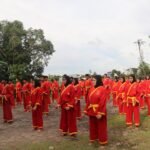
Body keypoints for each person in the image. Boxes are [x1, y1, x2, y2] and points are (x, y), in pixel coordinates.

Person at [84, 75, 108, 145]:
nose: (92, 82)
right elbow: (88, 100)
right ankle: (94, 138)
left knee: (101, 126)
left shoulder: (102, 89)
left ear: (98, 80)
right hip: (92, 109)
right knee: (92, 125)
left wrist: (100, 112)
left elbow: (103, 101)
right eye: (92, 80)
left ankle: (102, 141)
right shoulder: (91, 89)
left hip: (99, 110)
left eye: (94, 80)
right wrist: (86, 109)